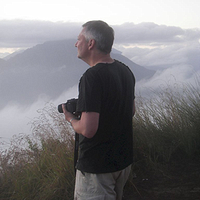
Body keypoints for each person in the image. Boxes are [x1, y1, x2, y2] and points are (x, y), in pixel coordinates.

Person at [62, 20, 136, 200]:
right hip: (122, 162)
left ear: (91, 43)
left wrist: (71, 119)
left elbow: (88, 129)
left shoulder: (92, 77)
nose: (76, 44)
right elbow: (131, 110)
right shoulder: (125, 70)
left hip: (98, 168)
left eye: (79, 39)